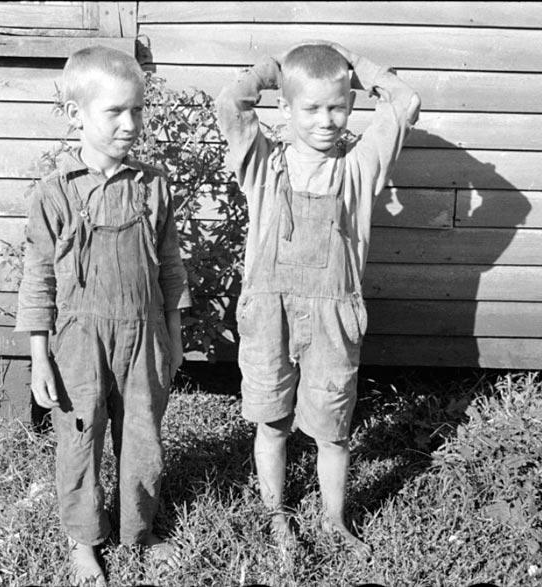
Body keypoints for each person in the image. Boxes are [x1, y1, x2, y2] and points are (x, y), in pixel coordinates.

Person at [216, 40, 421, 556]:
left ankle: (334, 520)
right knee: (273, 422)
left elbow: (404, 102)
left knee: (333, 430)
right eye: (310, 107)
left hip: (334, 316)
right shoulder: (263, 164)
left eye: (337, 105)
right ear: (284, 108)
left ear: (352, 104)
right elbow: (231, 102)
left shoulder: (359, 168)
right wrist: (276, 68)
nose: (326, 119)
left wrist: (357, 65)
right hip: (270, 314)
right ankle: (276, 517)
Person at [15, 45, 191, 586]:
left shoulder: (153, 186)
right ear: (77, 115)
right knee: (80, 437)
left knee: (143, 437)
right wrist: (40, 358)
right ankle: (84, 540)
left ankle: (140, 529)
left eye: (137, 110)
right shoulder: (55, 194)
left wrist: (174, 333)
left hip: (145, 335)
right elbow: (38, 277)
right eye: (114, 111)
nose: (130, 123)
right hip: (78, 340)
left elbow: (169, 266)